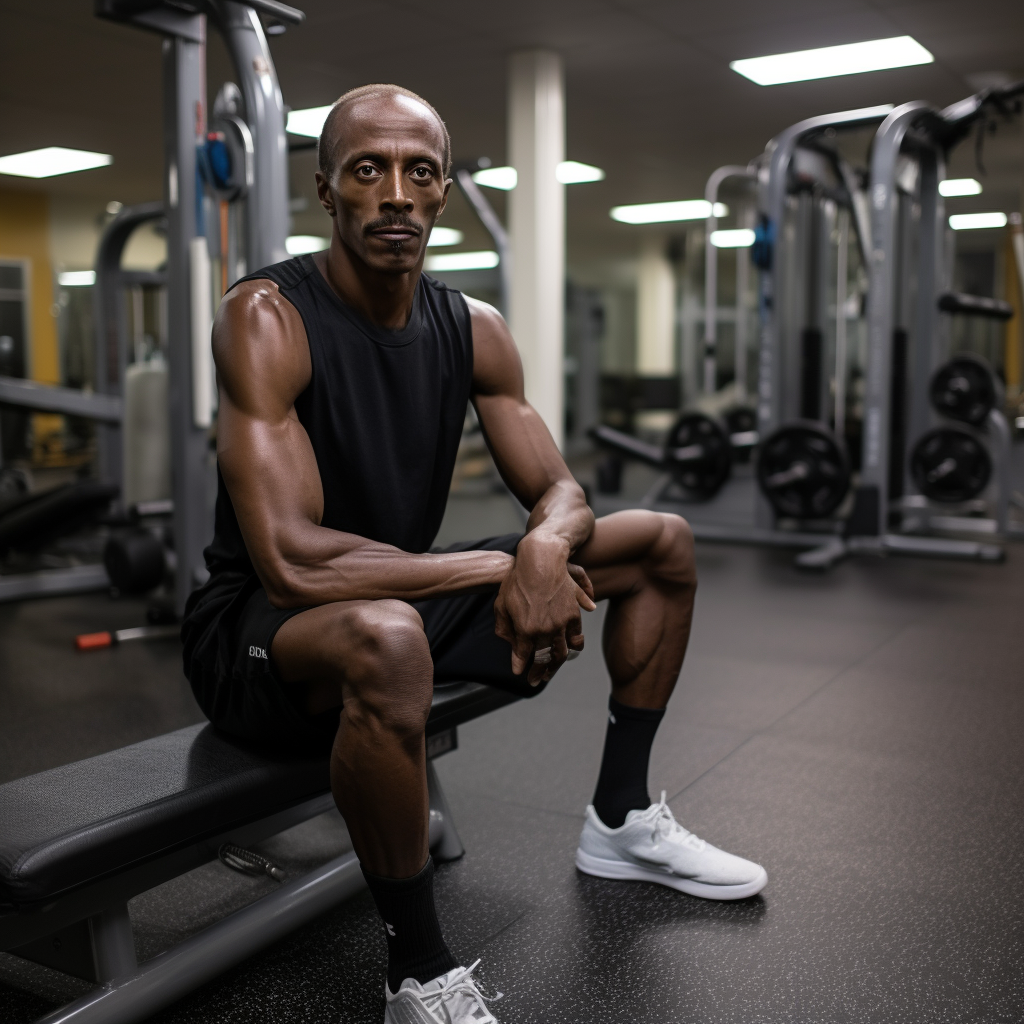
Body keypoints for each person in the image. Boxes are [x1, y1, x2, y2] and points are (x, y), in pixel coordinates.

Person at [182, 83, 766, 1023]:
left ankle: (620, 821)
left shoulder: (473, 327)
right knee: (389, 638)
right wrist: (508, 567)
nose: (397, 193)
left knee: (660, 543)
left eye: (420, 172)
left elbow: (564, 492)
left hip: (395, 599)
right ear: (327, 191)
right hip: (258, 635)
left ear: (444, 190)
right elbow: (293, 563)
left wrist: (543, 547)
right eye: (368, 170)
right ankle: (418, 974)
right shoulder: (266, 317)